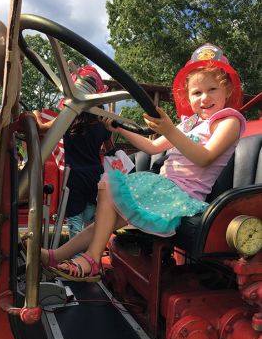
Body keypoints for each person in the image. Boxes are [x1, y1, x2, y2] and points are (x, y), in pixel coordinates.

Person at [40, 43, 246, 282]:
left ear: (228, 89)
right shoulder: (190, 123)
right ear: (188, 95)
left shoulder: (228, 121)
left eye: (212, 89)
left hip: (183, 196)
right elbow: (152, 146)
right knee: (106, 219)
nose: (204, 98)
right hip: (163, 186)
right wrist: (118, 126)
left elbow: (204, 157)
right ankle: (56, 256)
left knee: (109, 184)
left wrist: (169, 129)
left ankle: (92, 261)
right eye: (197, 93)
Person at [34, 66, 113, 238]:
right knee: (90, 221)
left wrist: (35, 114)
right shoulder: (101, 123)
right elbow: (110, 150)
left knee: (75, 222)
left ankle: (76, 258)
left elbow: (41, 129)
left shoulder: (68, 118)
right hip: (95, 176)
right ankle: (89, 258)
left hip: (74, 177)